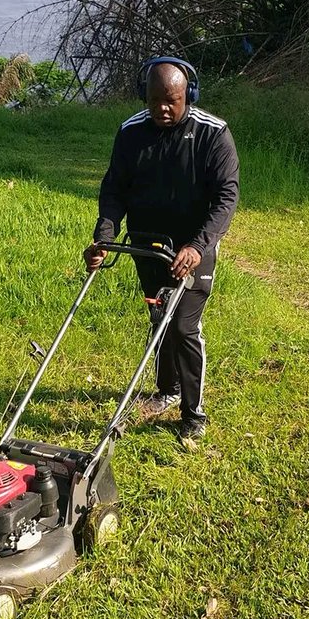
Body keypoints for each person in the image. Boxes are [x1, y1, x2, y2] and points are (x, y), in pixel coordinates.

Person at [83, 56, 239, 446]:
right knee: (159, 315)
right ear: (144, 95)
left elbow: (226, 196)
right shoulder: (131, 132)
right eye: (154, 100)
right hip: (146, 243)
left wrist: (199, 246)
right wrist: (104, 235)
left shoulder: (213, 133)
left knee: (184, 325)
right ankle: (165, 390)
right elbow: (114, 188)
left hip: (192, 246)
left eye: (171, 101)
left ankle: (193, 412)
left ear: (189, 95)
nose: (162, 109)